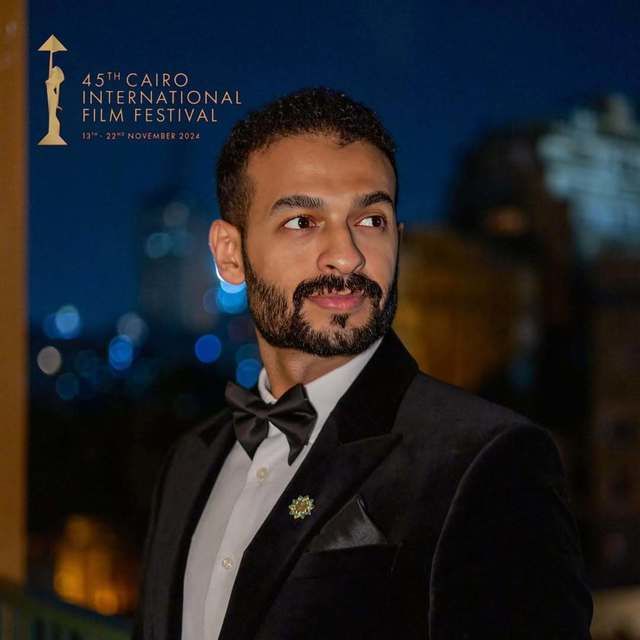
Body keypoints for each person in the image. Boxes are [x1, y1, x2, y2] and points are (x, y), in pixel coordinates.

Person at [134, 88, 593, 640]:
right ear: (230, 254)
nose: (347, 255)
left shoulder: (492, 460)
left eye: (371, 219)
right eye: (302, 221)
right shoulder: (189, 461)